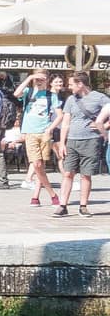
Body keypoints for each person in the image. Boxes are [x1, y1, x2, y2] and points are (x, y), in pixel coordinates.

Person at [52, 70, 110, 218]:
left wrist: (106, 124)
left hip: (91, 141)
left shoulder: (99, 98)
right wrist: (63, 143)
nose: (69, 87)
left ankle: (83, 206)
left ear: (80, 84)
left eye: (72, 84)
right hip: (72, 140)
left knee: (86, 175)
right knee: (68, 173)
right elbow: (65, 122)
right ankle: (62, 205)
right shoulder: (71, 100)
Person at [16, 69, 61, 207]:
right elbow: (16, 93)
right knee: (36, 164)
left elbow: (60, 115)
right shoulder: (28, 92)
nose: (39, 81)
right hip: (30, 132)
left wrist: (50, 128)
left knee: (41, 165)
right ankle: (52, 194)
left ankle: (36, 196)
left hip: (44, 132)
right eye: (37, 78)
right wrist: (30, 78)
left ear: (47, 80)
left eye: (42, 78)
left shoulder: (50, 95)